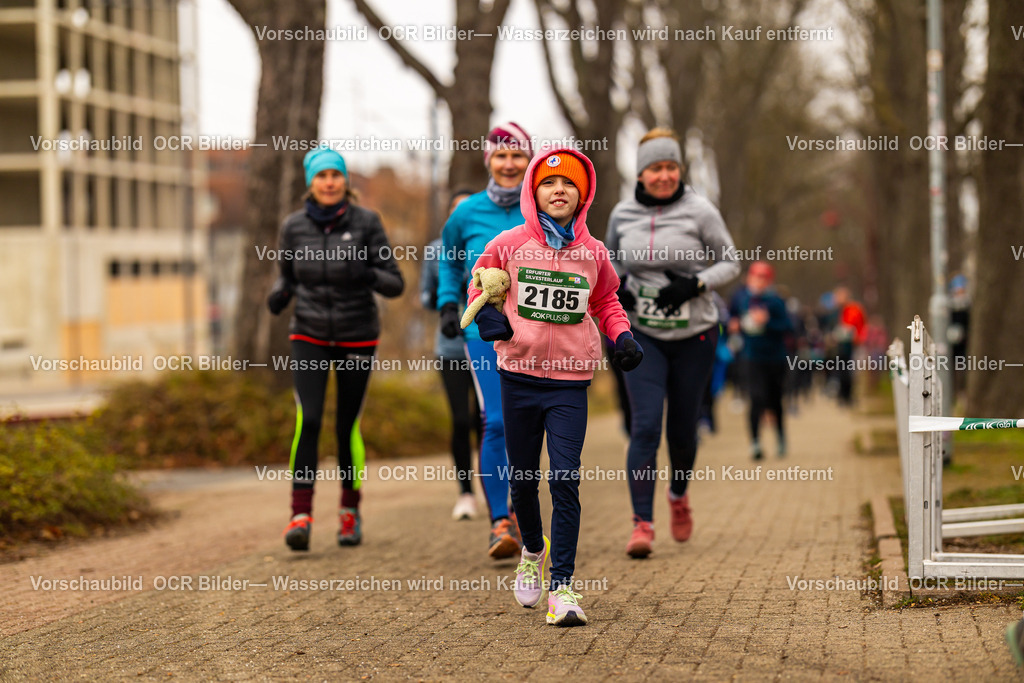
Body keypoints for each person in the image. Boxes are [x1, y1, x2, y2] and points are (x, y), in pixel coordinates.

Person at [468, 146, 643, 627]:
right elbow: (480, 284)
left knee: (565, 479)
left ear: (583, 192)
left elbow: (607, 299)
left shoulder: (594, 252)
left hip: (570, 382)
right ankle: (531, 549)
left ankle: (562, 587)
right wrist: (488, 316)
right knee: (523, 483)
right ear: (533, 191)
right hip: (518, 377)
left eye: (568, 183)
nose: (559, 190)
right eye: (548, 183)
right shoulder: (508, 243)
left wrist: (622, 336)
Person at [606, 127, 740, 558]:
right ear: (641, 174)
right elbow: (605, 259)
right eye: (654, 168)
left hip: (695, 334)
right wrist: (618, 286)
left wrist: (696, 283)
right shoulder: (622, 214)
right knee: (645, 425)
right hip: (643, 334)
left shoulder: (700, 210)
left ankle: (678, 495)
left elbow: (731, 261)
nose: (664, 175)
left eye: (671, 167)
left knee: (682, 430)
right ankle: (641, 523)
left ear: (680, 170)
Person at [267, 147, 404, 551]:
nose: (329, 182)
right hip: (308, 332)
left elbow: (394, 283)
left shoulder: (366, 223)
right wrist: (280, 292)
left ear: (345, 181)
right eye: (321, 175)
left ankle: (349, 511)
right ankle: (300, 515)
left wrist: (367, 271)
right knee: (308, 419)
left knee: (346, 426)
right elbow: (287, 274)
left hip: (356, 333)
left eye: (336, 175)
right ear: (310, 182)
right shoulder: (293, 227)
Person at [437, 122, 534, 559]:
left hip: (536, 333)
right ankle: (500, 521)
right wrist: (445, 303)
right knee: (494, 421)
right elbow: (447, 259)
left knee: (527, 426)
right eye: (501, 155)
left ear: (528, 160)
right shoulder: (466, 213)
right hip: (483, 333)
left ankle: (520, 506)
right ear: (489, 162)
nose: (509, 163)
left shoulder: (544, 209)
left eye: (517, 155)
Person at [419, 189, 480, 520]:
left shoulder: (487, 244)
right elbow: (425, 296)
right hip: (451, 348)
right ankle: (465, 492)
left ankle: (492, 487)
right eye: (456, 208)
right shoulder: (435, 251)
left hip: (487, 346)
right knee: (460, 419)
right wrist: (443, 298)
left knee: (487, 421)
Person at [728, 261, 793, 460]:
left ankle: (781, 438)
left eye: (763, 277)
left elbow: (788, 327)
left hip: (775, 358)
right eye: (756, 276)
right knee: (756, 398)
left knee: (775, 400)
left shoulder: (776, 301)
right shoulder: (740, 298)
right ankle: (755, 442)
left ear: (769, 280)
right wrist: (734, 324)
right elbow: (729, 317)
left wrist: (767, 322)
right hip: (751, 357)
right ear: (749, 278)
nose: (758, 281)